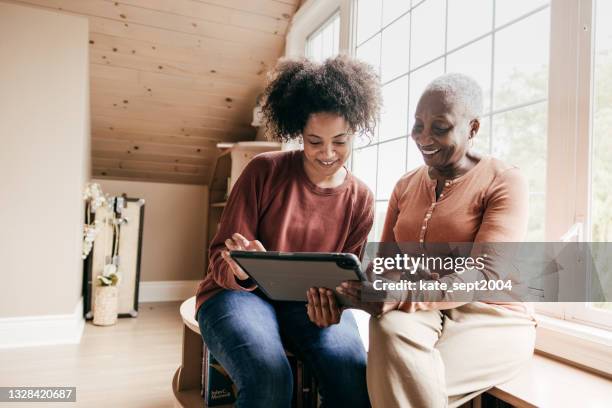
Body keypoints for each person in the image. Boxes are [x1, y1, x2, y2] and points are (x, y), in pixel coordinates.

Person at [338, 73, 536, 408]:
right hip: (423, 311)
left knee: (399, 380)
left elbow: (485, 276)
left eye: (439, 126)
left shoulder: (504, 181)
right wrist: (357, 289)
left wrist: (405, 292)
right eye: (418, 124)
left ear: (472, 129)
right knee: (387, 328)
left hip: (492, 315)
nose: (424, 136)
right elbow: (387, 263)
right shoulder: (405, 185)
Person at [194, 55, 381, 408]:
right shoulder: (264, 170)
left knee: (354, 376)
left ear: (355, 132)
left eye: (340, 141)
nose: (327, 153)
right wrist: (240, 268)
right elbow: (220, 255)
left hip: (309, 305)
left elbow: (347, 276)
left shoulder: (361, 198)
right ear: (299, 133)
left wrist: (337, 303)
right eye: (314, 141)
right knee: (268, 378)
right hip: (237, 297)